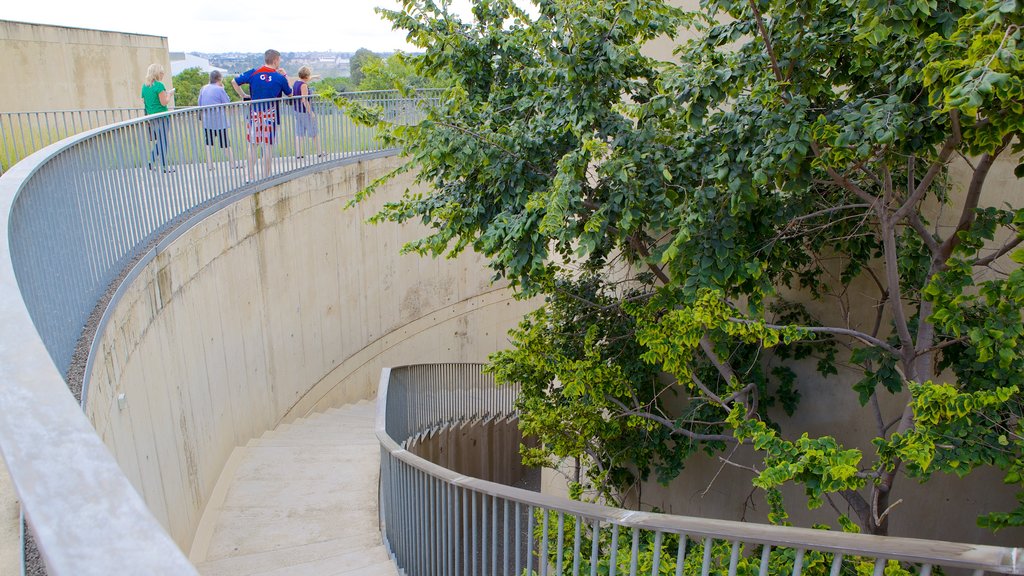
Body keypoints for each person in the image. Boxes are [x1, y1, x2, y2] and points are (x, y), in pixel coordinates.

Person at [232, 49, 291, 179]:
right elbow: (290, 94)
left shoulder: (254, 72)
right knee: (268, 146)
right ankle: (266, 176)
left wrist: (244, 96)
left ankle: (250, 176)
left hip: (254, 114)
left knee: (253, 145)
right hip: (271, 117)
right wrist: (285, 75)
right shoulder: (279, 78)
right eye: (279, 60)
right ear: (275, 60)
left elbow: (234, 81)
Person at [198, 71, 241, 170]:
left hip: (207, 121)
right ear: (219, 79)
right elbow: (227, 102)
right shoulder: (219, 89)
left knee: (209, 143)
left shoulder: (203, 88)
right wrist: (223, 89)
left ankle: (209, 164)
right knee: (225, 143)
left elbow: (199, 103)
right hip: (219, 121)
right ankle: (232, 163)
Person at [141, 63, 175, 173]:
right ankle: (163, 166)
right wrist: (169, 94)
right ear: (157, 73)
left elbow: (145, 103)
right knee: (163, 141)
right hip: (162, 117)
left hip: (152, 118)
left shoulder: (145, 87)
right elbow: (164, 102)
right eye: (161, 72)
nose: (163, 75)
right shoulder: (159, 86)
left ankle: (152, 161)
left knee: (160, 141)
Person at [291, 66, 323, 159]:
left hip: (297, 111)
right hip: (305, 111)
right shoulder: (304, 85)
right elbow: (304, 100)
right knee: (314, 131)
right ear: (307, 76)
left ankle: (298, 154)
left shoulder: (296, 83)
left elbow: (305, 79)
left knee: (299, 132)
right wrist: (311, 112)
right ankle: (319, 152)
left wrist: (314, 77)